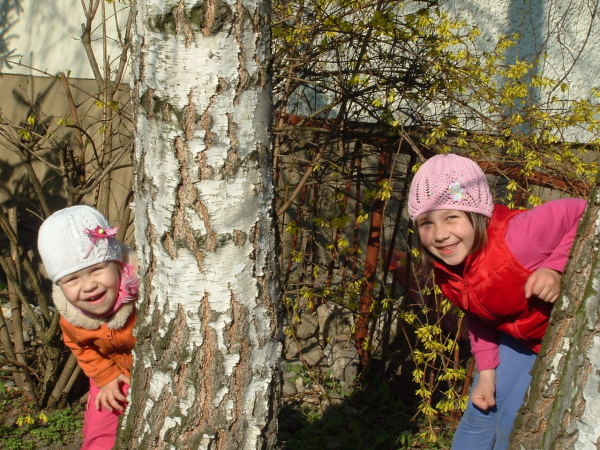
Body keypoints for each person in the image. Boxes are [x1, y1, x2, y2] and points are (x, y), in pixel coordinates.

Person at [407, 153, 586, 450]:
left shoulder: (518, 237)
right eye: (426, 223)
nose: (439, 235)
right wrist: (487, 374)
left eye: (452, 217)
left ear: (477, 216)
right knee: (479, 412)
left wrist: (554, 268)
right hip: (519, 342)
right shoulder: (448, 272)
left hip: (560, 341)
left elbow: (582, 212)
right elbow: (479, 318)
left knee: (513, 425)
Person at [37, 205, 138, 450]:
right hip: (110, 372)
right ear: (59, 285)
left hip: (148, 369)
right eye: (72, 279)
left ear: (117, 264)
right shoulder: (73, 316)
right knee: (99, 423)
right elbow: (80, 346)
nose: (89, 285)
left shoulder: (143, 295)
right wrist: (106, 377)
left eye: (97, 270)